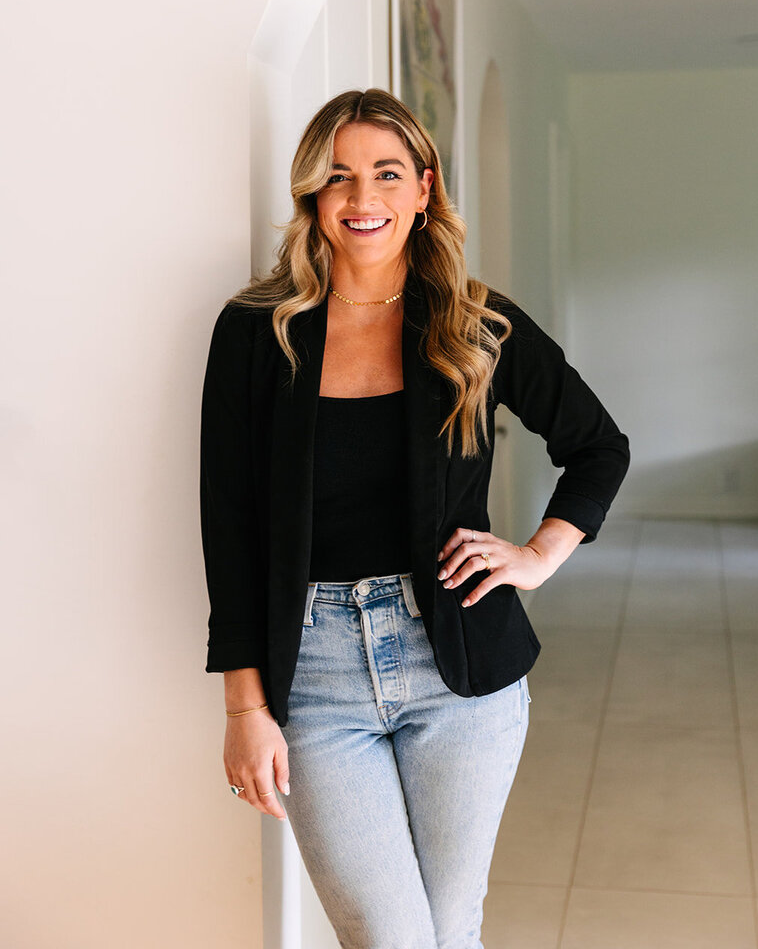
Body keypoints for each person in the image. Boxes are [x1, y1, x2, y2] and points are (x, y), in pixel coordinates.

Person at [199, 87, 630, 949]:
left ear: (423, 189)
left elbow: (597, 446)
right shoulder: (258, 332)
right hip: (313, 677)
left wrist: (539, 555)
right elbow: (229, 523)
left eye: (387, 174)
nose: (364, 200)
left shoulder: (475, 322)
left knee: (448, 927)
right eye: (340, 178)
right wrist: (245, 710)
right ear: (313, 197)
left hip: (463, 665)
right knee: (392, 938)